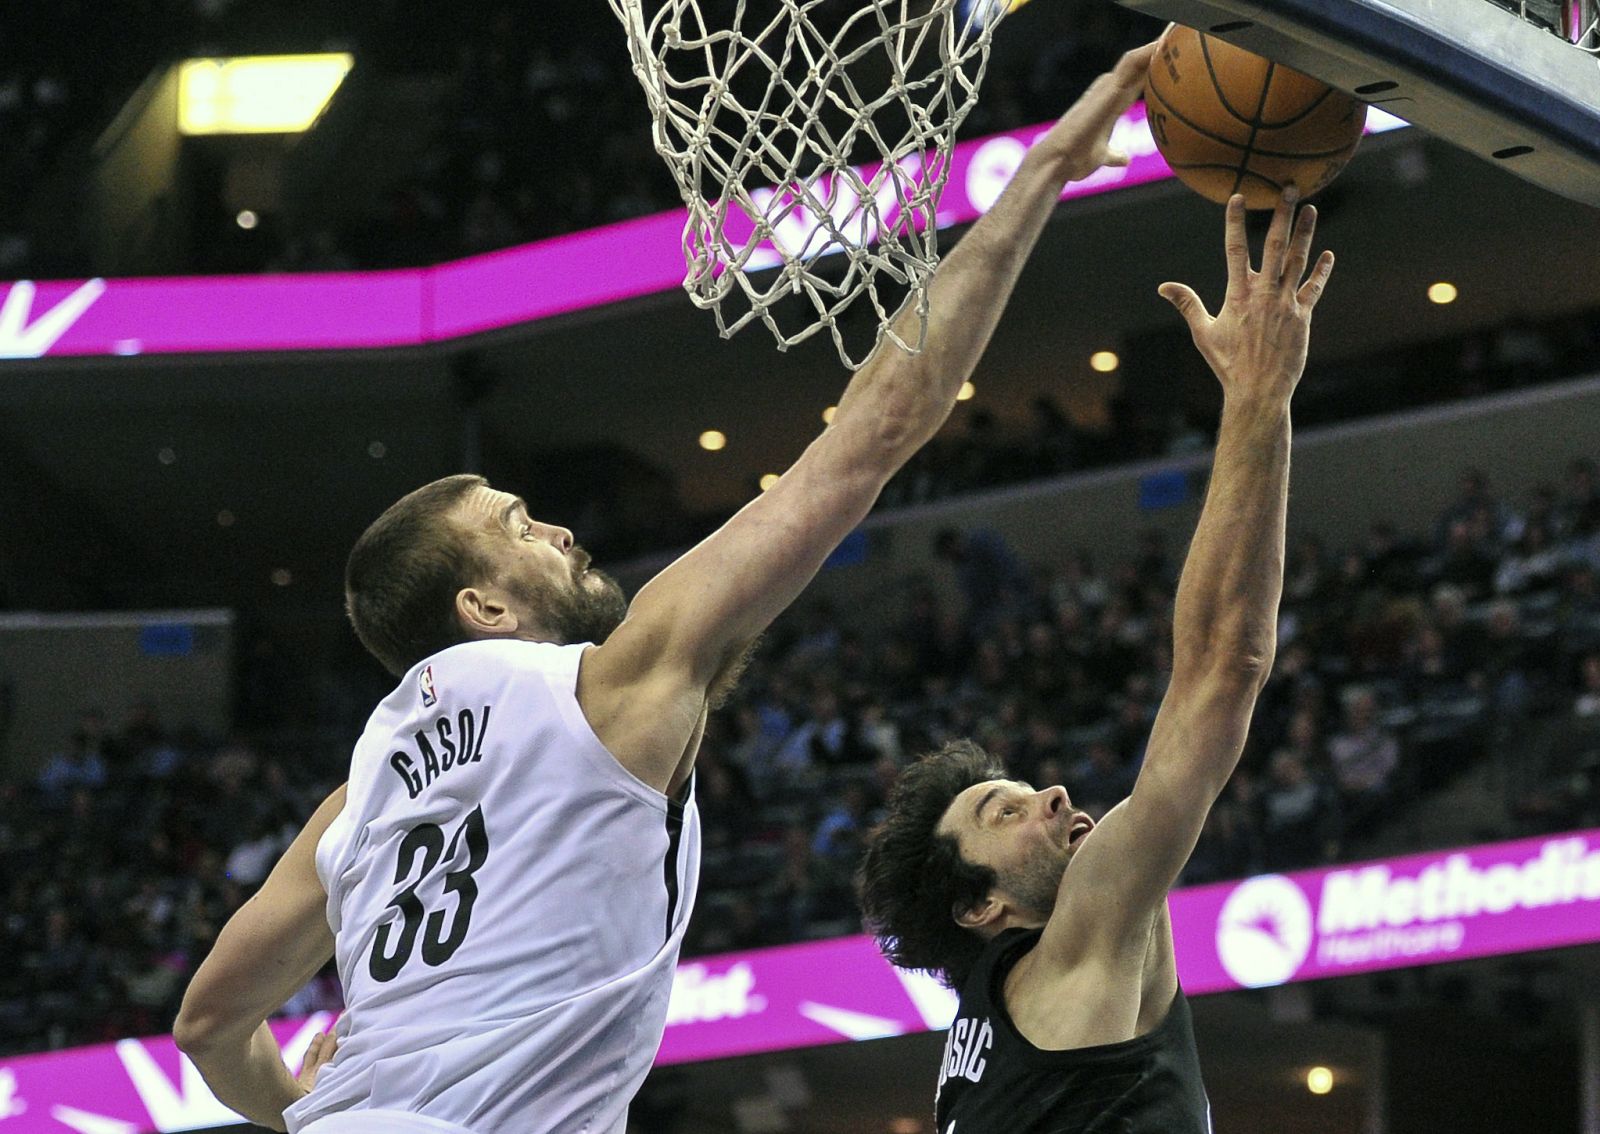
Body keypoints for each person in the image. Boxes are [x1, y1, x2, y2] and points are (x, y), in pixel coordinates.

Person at [169, 43, 1162, 1134]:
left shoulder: (361, 797)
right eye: (517, 529)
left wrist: (298, 1107)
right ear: (484, 609)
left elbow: (211, 1022)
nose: (555, 527)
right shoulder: (608, 685)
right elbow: (875, 430)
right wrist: (1043, 171)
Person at [858, 185, 1337, 1133]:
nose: (1055, 798)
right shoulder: (1073, 952)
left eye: (1025, 789)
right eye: (1004, 813)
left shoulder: (978, 1052)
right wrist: (1256, 397)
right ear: (981, 909)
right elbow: (1222, 666)